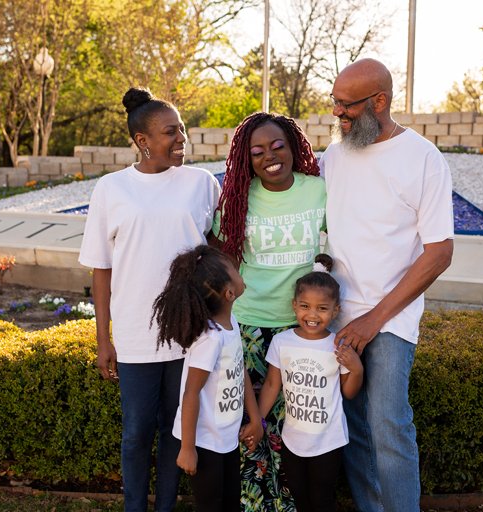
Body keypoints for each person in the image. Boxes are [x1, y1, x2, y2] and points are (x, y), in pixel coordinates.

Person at [320, 58, 454, 512]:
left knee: (388, 425)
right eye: (334, 103)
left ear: (380, 100)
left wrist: (374, 319)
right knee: (355, 427)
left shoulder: (423, 159)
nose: (337, 114)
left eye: (346, 106)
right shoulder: (333, 157)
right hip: (338, 316)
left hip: (391, 318)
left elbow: (439, 253)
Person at [78, 87, 220, 512]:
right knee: (137, 431)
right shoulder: (111, 188)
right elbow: (100, 270)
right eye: (170, 132)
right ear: (142, 141)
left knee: (177, 429)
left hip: (190, 334)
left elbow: (217, 254)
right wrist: (104, 339)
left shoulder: (202, 184)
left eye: (182, 130)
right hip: (137, 335)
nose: (182, 140)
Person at [213, 112, 325, 511]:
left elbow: (343, 241)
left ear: (294, 147)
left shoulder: (318, 191)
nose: (269, 157)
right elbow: (220, 254)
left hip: (302, 327)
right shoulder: (240, 197)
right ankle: (253, 505)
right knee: (251, 424)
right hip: (250, 327)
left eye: (278, 146)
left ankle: (291, 504)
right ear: (248, 159)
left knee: (294, 425)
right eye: (257, 151)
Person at [151, 244, 264, 512]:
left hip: (225, 436)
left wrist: (255, 418)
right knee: (211, 505)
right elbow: (191, 393)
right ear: (229, 292)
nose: (238, 269)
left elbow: (239, 371)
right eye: (233, 270)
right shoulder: (210, 339)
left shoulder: (231, 323)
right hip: (203, 441)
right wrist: (188, 448)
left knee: (229, 502)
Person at [253, 254, 363, 512]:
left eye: (322, 309)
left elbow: (348, 392)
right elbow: (271, 385)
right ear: (294, 305)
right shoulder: (282, 342)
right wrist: (258, 420)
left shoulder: (338, 345)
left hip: (328, 442)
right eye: (305, 306)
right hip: (293, 440)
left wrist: (356, 368)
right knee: (300, 496)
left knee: (322, 500)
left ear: (335, 311)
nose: (312, 315)